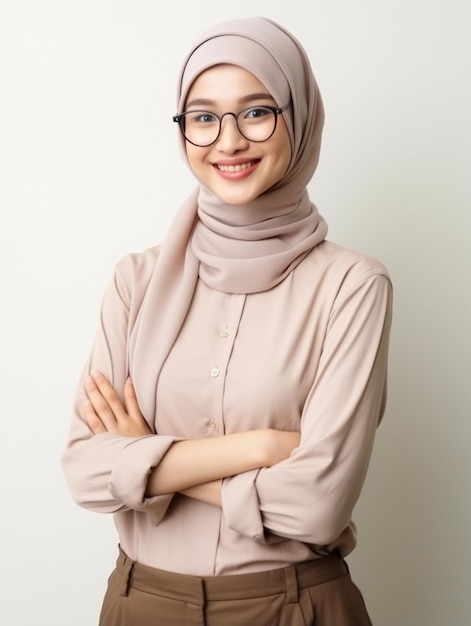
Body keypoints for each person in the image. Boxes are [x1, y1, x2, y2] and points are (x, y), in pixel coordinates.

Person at [61, 16, 392, 626]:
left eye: (257, 111)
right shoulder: (135, 282)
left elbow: (317, 506)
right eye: (204, 117)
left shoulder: (352, 286)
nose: (228, 140)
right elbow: (85, 470)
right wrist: (259, 449)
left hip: (296, 605)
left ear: (300, 117)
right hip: (143, 604)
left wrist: (145, 459)